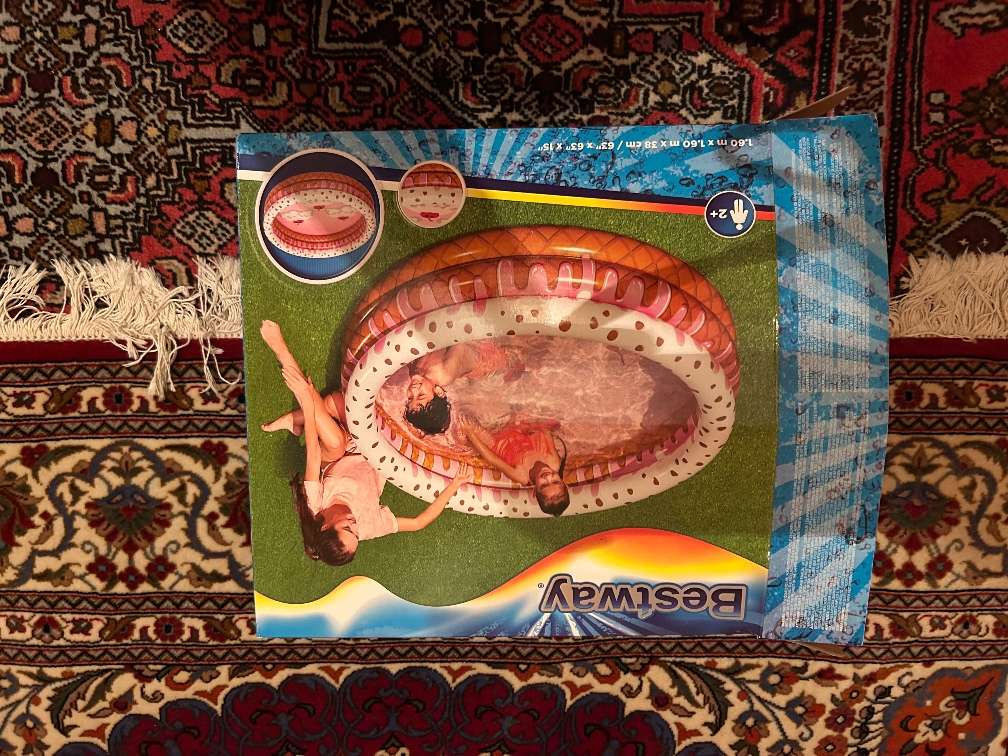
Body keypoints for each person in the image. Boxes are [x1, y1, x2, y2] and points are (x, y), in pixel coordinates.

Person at [260, 320, 470, 565]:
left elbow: (314, 453)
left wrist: (306, 401)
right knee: (334, 403)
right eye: (357, 534)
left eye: (348, 528)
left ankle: (281, 352)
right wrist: (455, 485)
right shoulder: (370, 525)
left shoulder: (314, 505)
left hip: (338, 451)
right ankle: (299, 420)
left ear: (326, 526)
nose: (355, 525)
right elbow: (418, 523)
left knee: (334, 440)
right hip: (369, 441)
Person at [404, 340, 523, 437]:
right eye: (420, 395)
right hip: (488, 355)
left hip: (476, 359)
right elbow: (460, 337)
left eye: (410, 398)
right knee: (516, 358)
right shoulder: (444, 374)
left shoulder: (417, 374)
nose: (413, 390)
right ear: (439, 392)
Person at [460, 415, 569, 516]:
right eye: (555, 481)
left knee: (464, 423)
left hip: (498, 442)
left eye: (544, 485)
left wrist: (470, 433)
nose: (548, 477)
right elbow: (546, 431)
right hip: (522, 433)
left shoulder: (521, 476)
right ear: (562, 481)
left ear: (535, 490)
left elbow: (492, 459)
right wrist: (532, 425)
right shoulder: (554, 462)